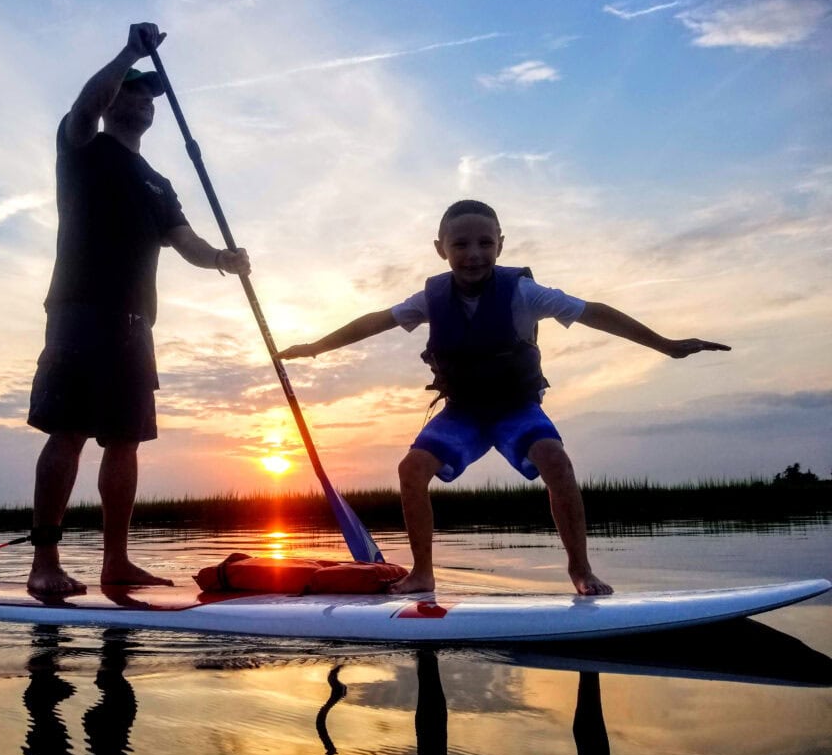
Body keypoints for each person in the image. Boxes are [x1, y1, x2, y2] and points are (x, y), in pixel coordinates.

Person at [278, 199, 729, 595]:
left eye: (484, 244)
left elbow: (594, 313)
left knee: (556, 461)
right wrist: (316, 347)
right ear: (441, 248)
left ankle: (580, 568)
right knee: (411, 469)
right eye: (461, 245)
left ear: (500, 245)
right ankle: (423, 573)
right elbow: (375, 321)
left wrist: (664, 345)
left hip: (516, 408)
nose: (473, 255)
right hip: (464, 413)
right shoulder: (430, 299)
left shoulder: (523, 293)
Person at [26, 23, 250, 595]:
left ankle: (115, 563)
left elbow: (186, 242)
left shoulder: (157, 182)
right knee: (68, 433)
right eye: (131, 89)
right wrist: (129, 52)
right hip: (79, 314)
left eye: (149, 92)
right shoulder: (82, 147)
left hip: (135, 326)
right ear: (110, 101)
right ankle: (44, 565)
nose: (142, 99)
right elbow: (84, 103)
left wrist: (224, 259)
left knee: (125, 443)